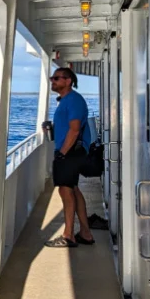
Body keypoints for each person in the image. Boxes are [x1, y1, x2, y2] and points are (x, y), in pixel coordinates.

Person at [49, 67, 94, 247]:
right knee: (73, 189)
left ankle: (68, 236)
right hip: (71, 151)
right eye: (52, 78)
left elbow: (74, 129)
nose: (53, 81)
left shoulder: (73, 100)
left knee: (65, 190)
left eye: (57, 78)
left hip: (70, 152)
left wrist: (62, 153)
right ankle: (86, 233)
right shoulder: (67, 101)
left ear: (68, 81)